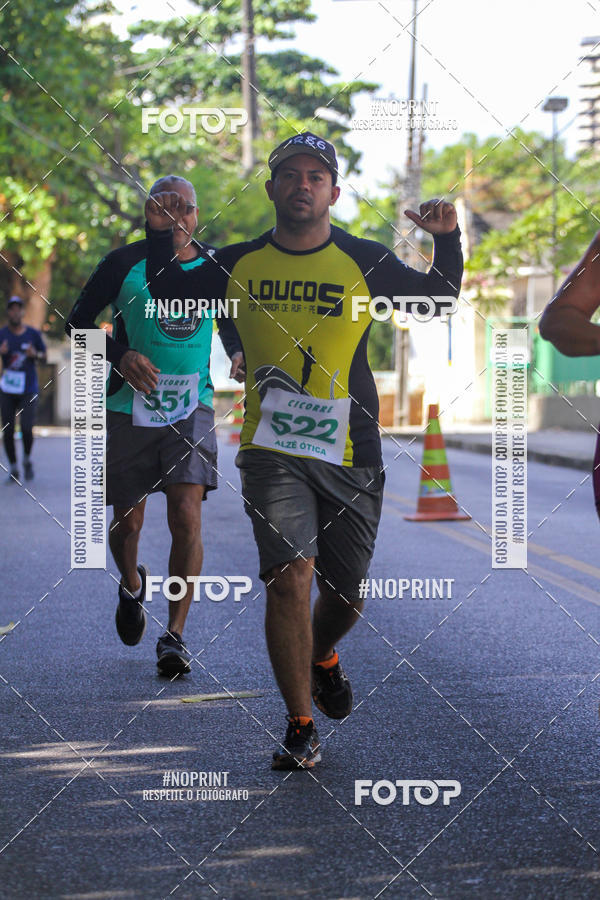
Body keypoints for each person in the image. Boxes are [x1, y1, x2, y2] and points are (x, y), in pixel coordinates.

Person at [144, 134, 463, 767]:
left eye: (316, 175)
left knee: (345, 596)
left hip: (351, 449)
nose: (302, 184)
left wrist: (446, 239)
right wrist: (161, 231)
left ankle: (323, 656)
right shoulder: (237, 263)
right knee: (290, 580)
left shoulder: (364, 259)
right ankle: (298, 724)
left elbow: (441, 297)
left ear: (334, 192)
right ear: (271, 189)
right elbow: (165, 290)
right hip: (271, 452)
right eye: (290, 174)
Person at [66, 175, 243, 677]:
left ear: (197, 212)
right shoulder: (124, 263)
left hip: (191, 406)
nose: (176, 217)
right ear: (148, 213)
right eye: (163, 208)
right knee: (129, 522)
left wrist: (237, 352)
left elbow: (228, 318)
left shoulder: (211, 265)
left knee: (186, 514)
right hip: (130, 407)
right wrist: (119, 356)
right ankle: (130, 583)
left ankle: (175, 636)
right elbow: (76, 321)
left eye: (184, 207)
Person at [0, 295, 47, 483]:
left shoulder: (33, 334)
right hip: (8, 389)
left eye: (18, 308)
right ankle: (13, 467)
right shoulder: (2, 334)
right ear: (8, 312)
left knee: (27, 428)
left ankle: (27, 458)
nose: (15, 312)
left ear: (22, 312)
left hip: (28, 388)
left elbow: (44, 357)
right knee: (8, 430)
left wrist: (34, 354)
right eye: (11, 309)